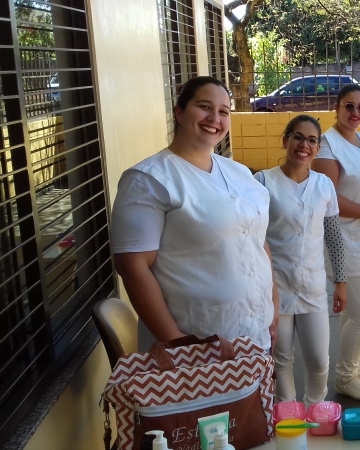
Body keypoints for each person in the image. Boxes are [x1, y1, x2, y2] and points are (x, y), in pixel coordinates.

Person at [111, 76, 279, 352]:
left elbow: (257, 240)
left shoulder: (239, 172)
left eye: (224, 111)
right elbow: (132, 267)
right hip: (196, 344)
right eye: (204, 107)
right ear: (179, 112)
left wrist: (273, 304)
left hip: (255, 334)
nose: (215, 118)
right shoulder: (148, 180)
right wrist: (177, 343)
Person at [254, 115, 347, 406]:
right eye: (298, 137)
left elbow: (334, 237)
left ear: (317, 148)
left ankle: (316, 410)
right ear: (285, 140)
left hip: (313, 287)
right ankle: (288, 414)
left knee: (319, 360)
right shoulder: (262, 182)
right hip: (275, 288)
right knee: (281, 359)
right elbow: (252, 238)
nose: (304, 145)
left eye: (311, 140)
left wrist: (341, 282)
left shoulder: (324, 185)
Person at [311, 84, 360, 401]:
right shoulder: (327, 145)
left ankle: (355, 369)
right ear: (336, 107)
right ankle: (345, 376)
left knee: (353, 313)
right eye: (349, 106)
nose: (355, 113)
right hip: (343, 239)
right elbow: (327, 196)